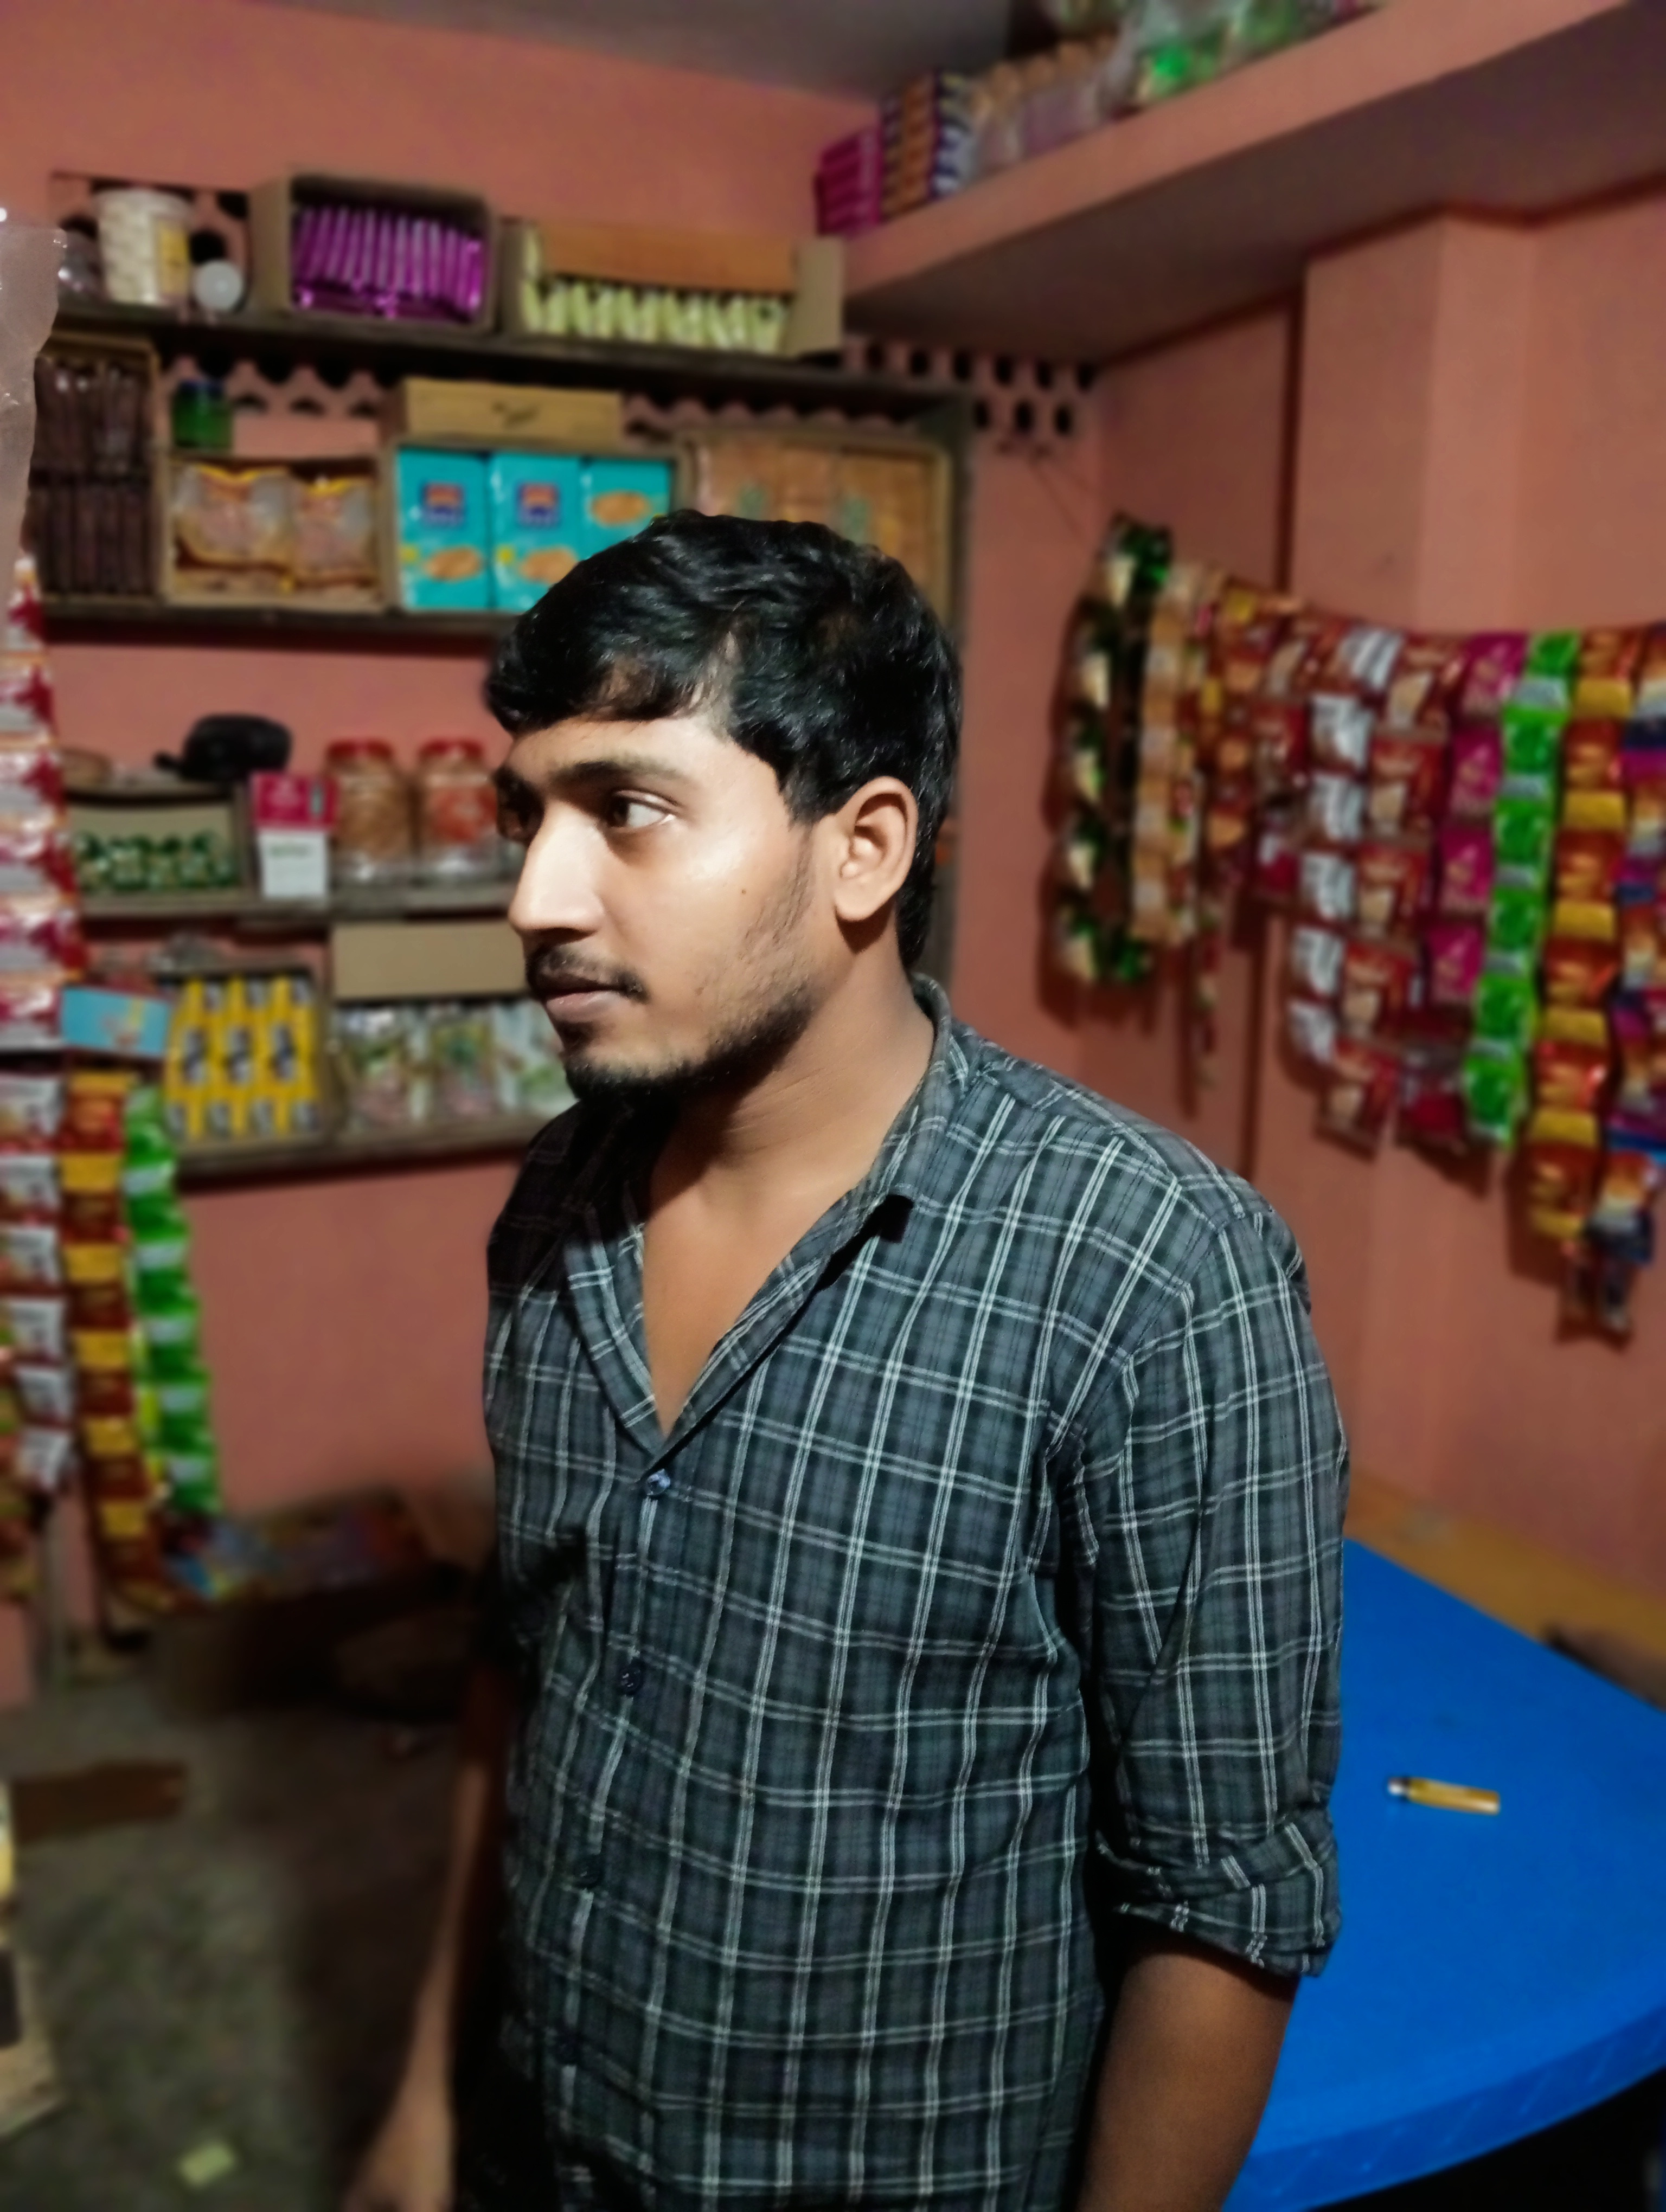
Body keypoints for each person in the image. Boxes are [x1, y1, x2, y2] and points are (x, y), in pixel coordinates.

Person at [348, 511, 1346, 2212]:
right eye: (529, 814)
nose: (534, 898)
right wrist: (430, 2097)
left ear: (864, 849)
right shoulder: (560, 1202)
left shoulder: (1151, 1274)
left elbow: (1222, 1903)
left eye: (628, 808)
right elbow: (518, 1674)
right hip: (550, 2134)